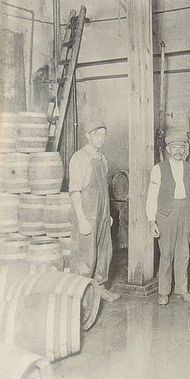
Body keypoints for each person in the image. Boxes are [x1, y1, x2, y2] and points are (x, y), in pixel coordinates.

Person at [146, 131, 190, 306]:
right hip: (166, 215)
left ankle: (182, 289)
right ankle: (163, 292)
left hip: (186, 214)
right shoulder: (158, 169)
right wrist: (151, 220)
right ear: (168, 149)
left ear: (185, 149)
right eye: (174, 148)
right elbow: (151, 196)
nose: (178, 151)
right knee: (166, 254)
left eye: (181, 147)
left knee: (184, 253)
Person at [69, 118, 120, 301]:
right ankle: (82, 295)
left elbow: (103, 191)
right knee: (86, 257)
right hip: (87, 216)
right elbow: (75, 191)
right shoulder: (80, 157)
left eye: (103, 134)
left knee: (104, 252)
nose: (100, 138)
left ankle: (100, 287)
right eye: (96, 134)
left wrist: (107, 215)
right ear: (87, 135)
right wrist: (82, 220)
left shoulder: (102, 159)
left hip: (102, 215)